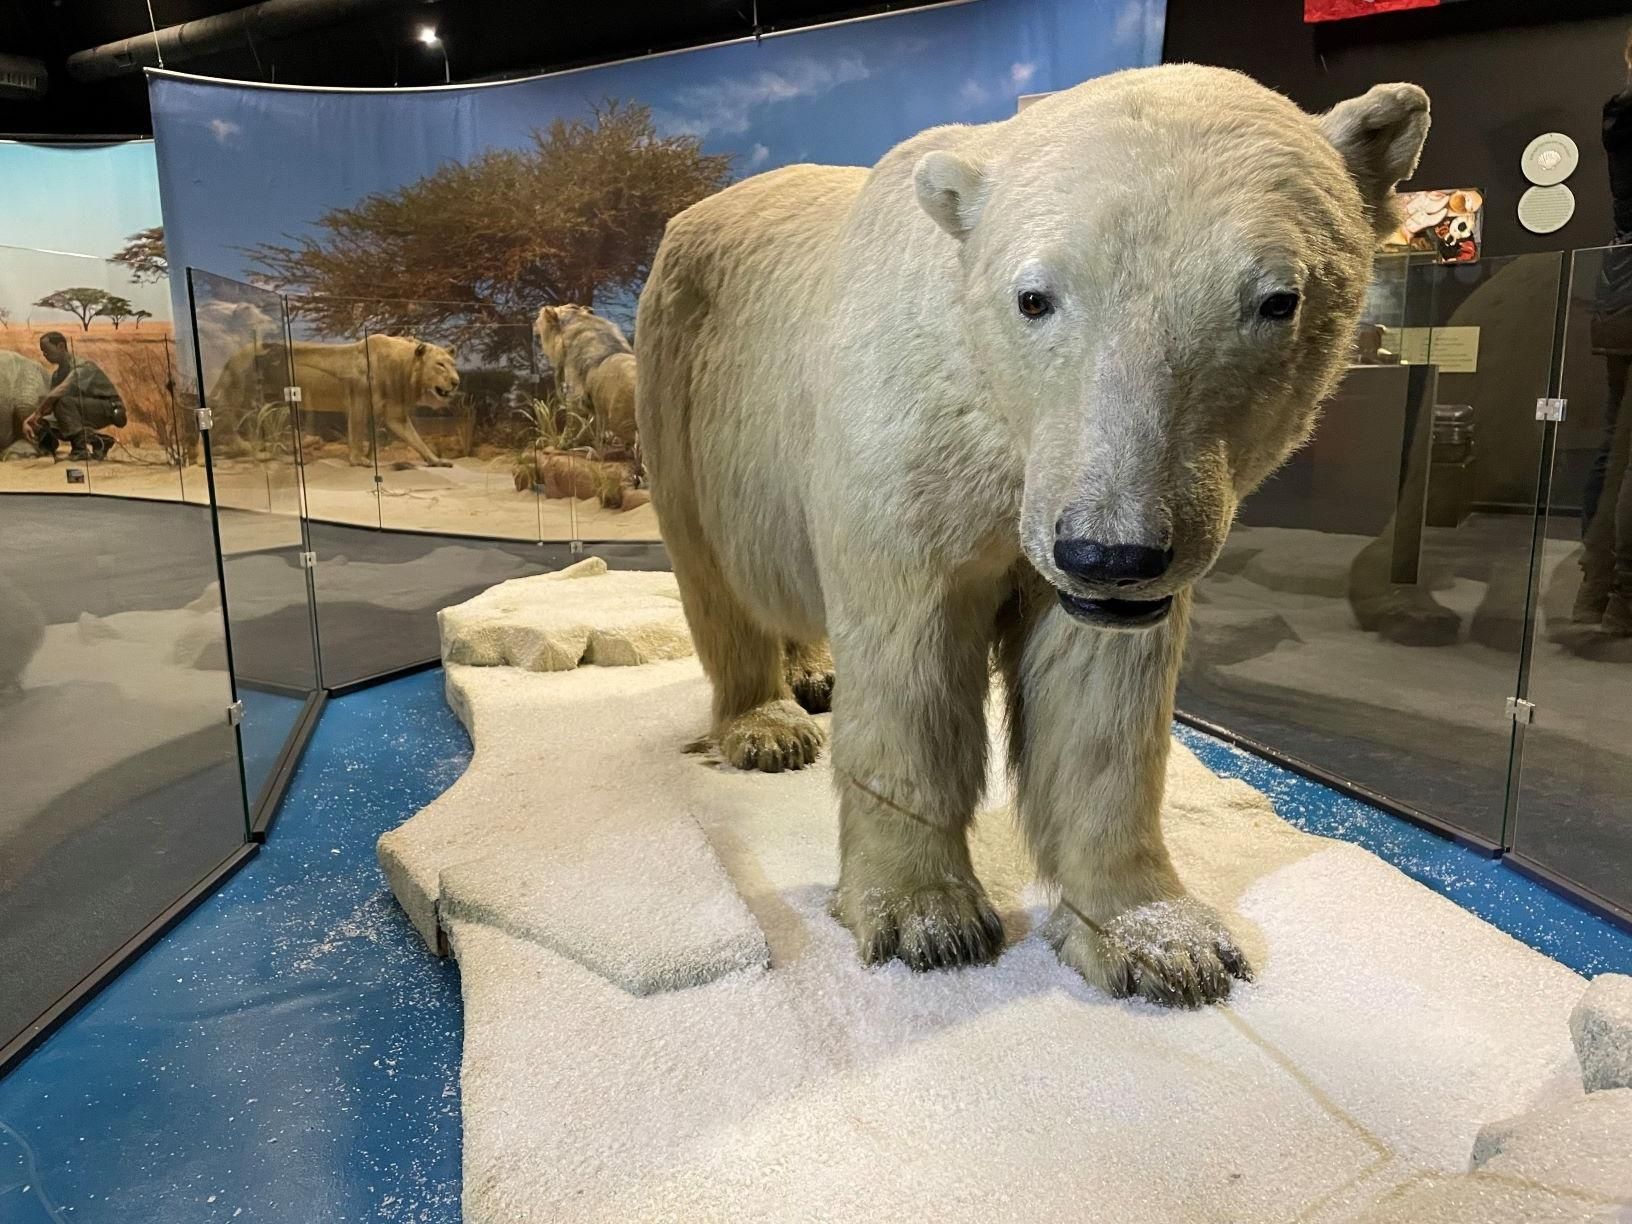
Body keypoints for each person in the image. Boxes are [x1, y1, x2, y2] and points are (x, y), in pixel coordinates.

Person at [23, 331, 126, 462]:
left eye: (47, 350)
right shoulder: (57, 374)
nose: (45, 355)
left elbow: (60, 391)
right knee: (45, 422)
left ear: (60, 346)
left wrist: (36, 413)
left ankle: (80, 450)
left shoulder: (83, 366)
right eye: (43, 352)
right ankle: (100, 441)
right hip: (81, 409)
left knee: (63, 403)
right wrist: (33, 421)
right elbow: (50, 406)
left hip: (110, 408)